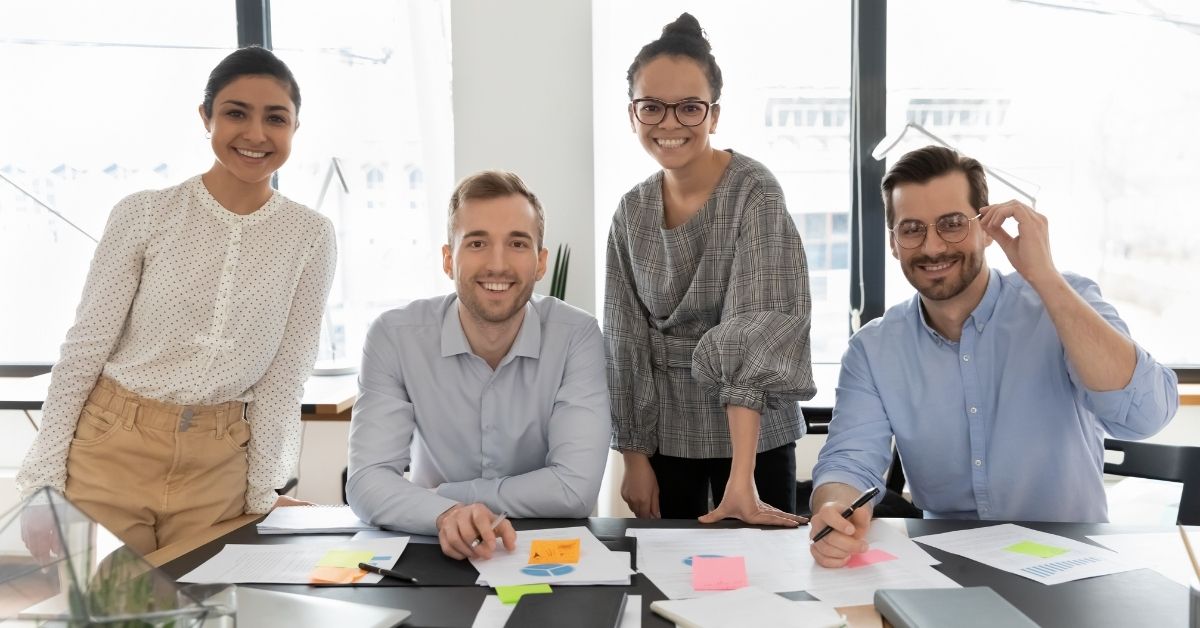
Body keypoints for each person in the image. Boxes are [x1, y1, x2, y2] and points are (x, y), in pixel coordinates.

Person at [16, 46, 337, 557]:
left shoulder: (310, 236)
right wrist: (41, 483)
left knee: (208, 612)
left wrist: (263, 493)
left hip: (220, 466)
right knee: (106, 612)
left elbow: (285, 373)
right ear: (205, 117)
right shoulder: (145, 214)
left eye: (275, 118)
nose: (256, 134)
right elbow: (85, 348)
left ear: (295, 128)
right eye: (235, 113)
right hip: (111, 450)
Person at [809, 145, 1179, 567]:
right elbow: (849, 460)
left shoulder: (1065, 301)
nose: (932, 247)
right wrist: (835, 509)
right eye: (911, 229)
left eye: (951, 224)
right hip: (945, 565)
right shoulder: (873, 349)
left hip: (1073, 560)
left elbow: (1146, 416)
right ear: (894, 244)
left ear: (987, 228)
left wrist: (1044, 277)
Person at [605, 13, 816, 527]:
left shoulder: (754, 192)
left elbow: (757, 328)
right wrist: (634, 455)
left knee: (762, 587)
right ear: (632, 115)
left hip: (753, 439)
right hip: (665, 435)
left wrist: (739, 479)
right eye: (651, 107)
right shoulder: (630, 212)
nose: (669, 123)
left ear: (714, 115)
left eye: (689, 108)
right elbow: (624, 339)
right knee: (670, 583)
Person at [346, 170, 610, 560]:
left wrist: (445, 496)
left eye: (517, 243)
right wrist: (446, 514)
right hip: (433, 540)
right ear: (448, 259)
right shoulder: (394, 336)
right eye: (477, 243)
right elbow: (367, 481)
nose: (497, 264)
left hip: (547, 549)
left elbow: (574, 489)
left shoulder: (577, 336)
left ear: (540, 263)